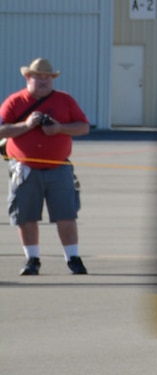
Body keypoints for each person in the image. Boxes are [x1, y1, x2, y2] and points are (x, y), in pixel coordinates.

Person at [4, 57, 92, 276]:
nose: (43, 81)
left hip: (59, 168)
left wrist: (60, 128)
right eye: (38, 76)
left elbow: (83, 127)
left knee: (66, 215)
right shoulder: (15, 101)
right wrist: (26, 126)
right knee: (26, 216)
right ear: (28, 77)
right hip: (25, 169)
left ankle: (73, 258)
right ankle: (32, 259)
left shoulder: (65, 100)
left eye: (47, 77)